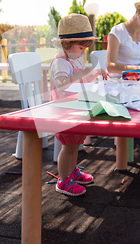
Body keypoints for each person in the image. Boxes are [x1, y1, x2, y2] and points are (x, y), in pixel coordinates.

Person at [50, 13, 109, 196]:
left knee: (75, 144)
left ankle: (71, 171)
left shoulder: (74, 58)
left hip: (77, 108)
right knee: (67, 146)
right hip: (64, 111)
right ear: (66, 44)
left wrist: (94, 72)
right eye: (81, 46)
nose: (84, 51)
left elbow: (82, 78)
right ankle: (62, 180)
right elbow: (63, 84)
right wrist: (85, 74)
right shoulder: (60, 62)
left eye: (85, 47)